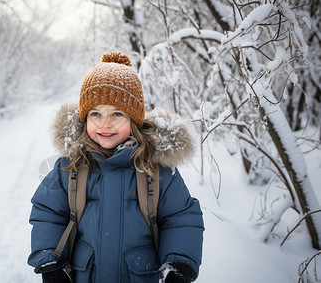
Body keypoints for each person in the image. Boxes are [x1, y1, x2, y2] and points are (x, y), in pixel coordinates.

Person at [28, 52, 204, 283]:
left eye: (117, 114)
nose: (105, 123)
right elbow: (47, 213)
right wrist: (51, 262)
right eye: (95, 114)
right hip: (85, 274)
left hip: (141, 275)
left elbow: (180, 218)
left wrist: (179, 263)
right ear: (85, 119)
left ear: (134, 120)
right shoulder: (69, 167)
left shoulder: (157, 170)